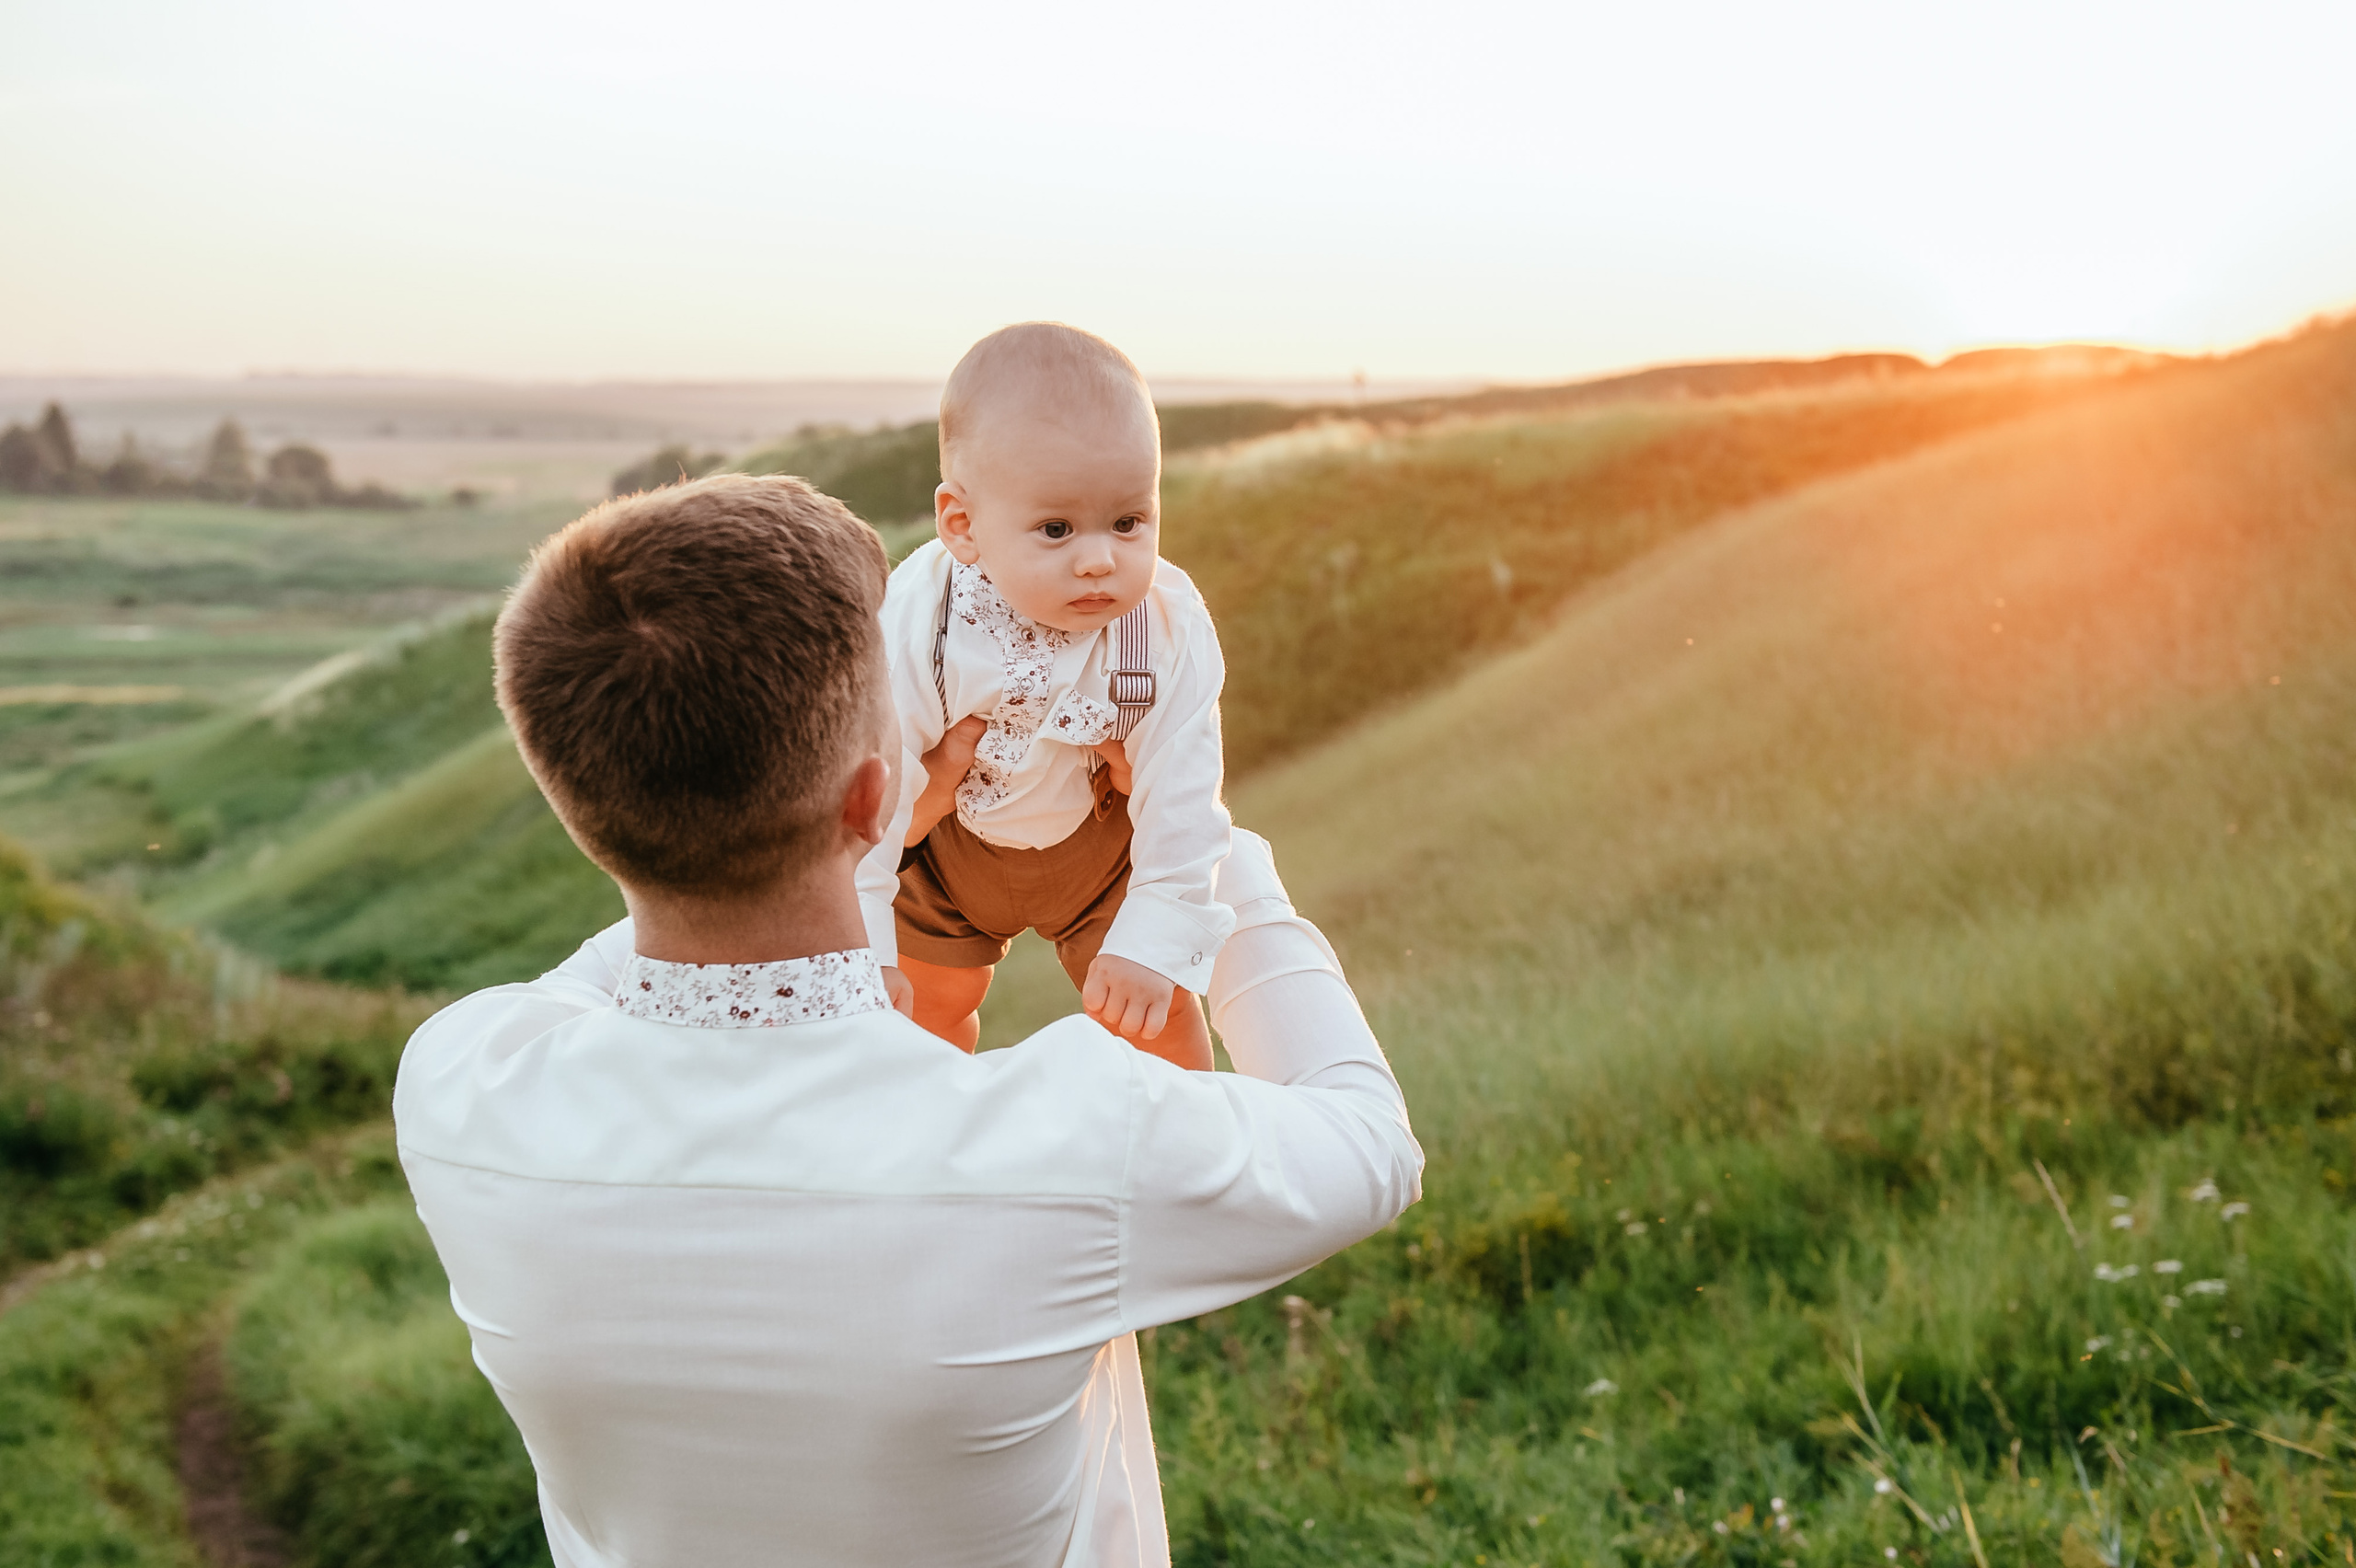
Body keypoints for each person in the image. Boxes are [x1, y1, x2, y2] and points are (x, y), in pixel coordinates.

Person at [393, 472, 1422, 1567]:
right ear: (870, 796)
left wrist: (851, 822)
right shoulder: (1064, 1139)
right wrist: (1212, 865)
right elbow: (1369, 1145)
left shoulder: (460, 1083)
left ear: (577, 806)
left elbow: (644, 937)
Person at [861, 322, 1229, 1069]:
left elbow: (1184, 789)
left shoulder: (1166, 625)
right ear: (963, 526)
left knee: (1154, 1025)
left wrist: (1155, 934)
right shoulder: (920, 620)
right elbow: (878, 781)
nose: (1100, 560)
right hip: (945, 850)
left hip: (1099, 856)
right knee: (917, 1016)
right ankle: (927, 1148)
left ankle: (1185, 1161)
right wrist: (865, 939)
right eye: (1056, 529)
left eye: (1129, 521)